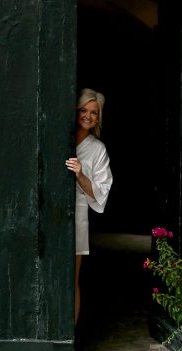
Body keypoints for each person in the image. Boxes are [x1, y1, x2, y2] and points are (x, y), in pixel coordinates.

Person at [65, 88, 113, 325]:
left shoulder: (97, 149)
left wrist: (81, 175)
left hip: (77, 213)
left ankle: (70, 334)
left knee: (71, 279)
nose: (88, 116)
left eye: (94, 113)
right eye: (84, 110)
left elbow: (101, 191)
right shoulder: (59, 134)